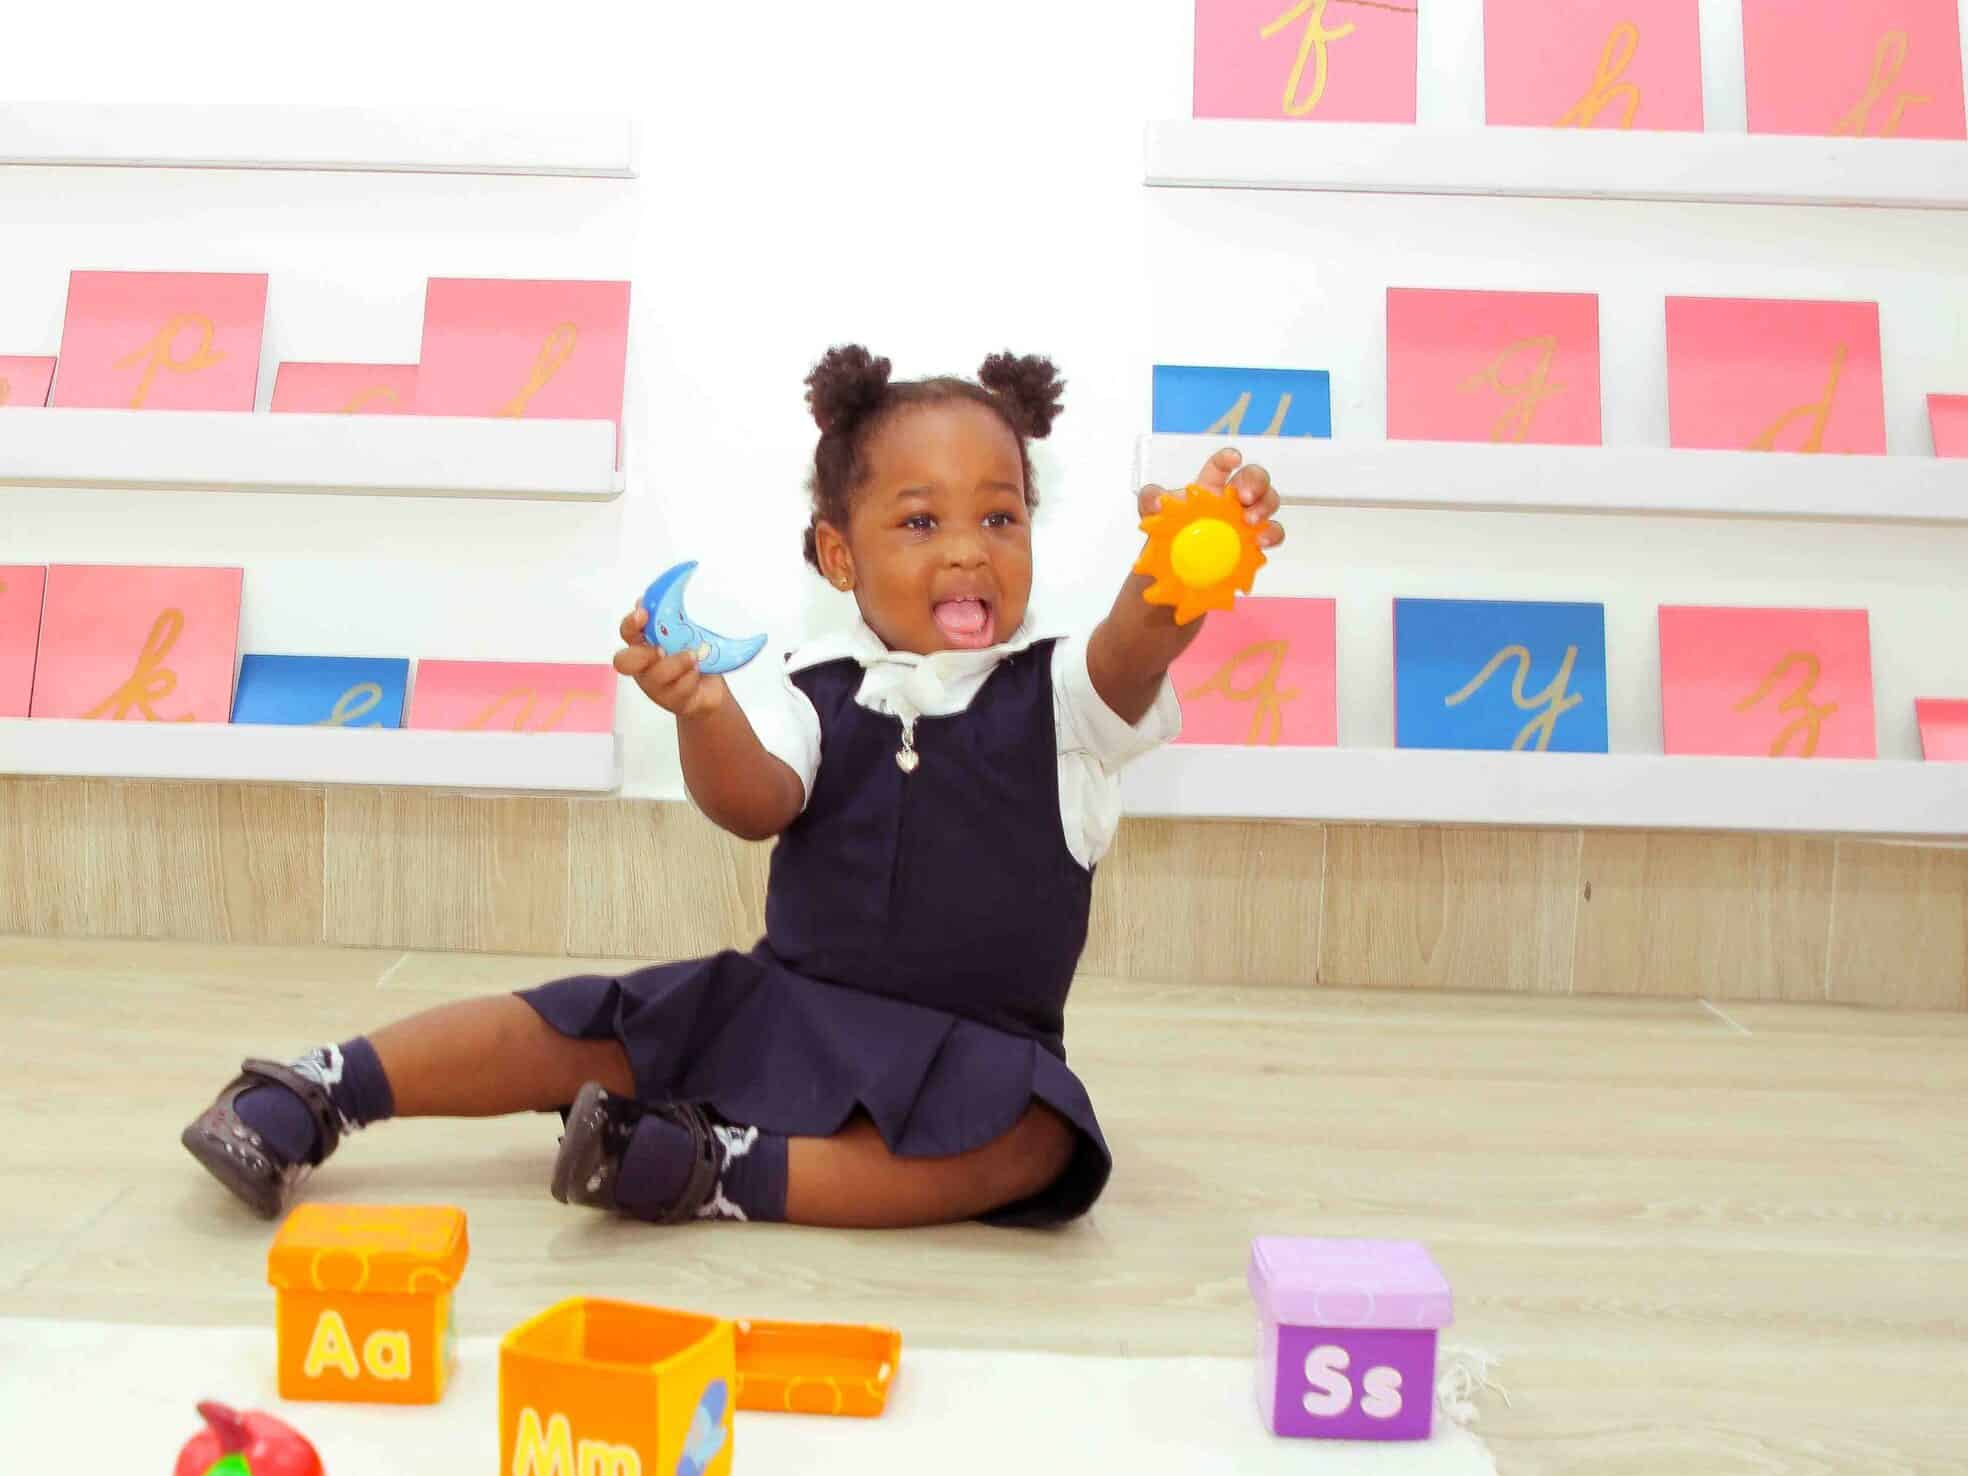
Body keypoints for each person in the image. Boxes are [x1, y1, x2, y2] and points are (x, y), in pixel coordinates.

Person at [183, 343, 1283, 1230]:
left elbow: (1135, 648)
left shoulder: (1065, 706)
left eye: (1000, 518)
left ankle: (713, 1170)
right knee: (590, 1021)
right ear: (837, 554)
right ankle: (321, 1087)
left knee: (1038, 1139)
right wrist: (705, 715)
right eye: (919, 520)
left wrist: (1182, 564)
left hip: (970, 1055)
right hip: (783, 1011)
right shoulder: (820, 688)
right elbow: (754, 804)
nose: (967, 552)